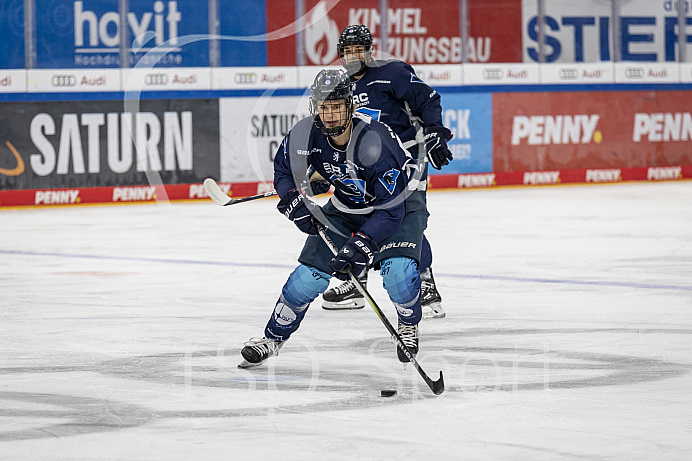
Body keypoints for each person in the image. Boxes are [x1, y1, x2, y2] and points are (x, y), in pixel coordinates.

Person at [239, 69, 429, 368]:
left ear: (350, 106)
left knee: (397, 273)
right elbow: (284, 171)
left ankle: (408, 323)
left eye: (336, 106)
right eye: (323, 106)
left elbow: (390, 210)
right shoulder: (305, 133)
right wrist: (293, 201)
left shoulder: (373, 142)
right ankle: (272, 339)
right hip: (346, 206)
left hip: (397, 208)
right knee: (306, 279)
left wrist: (362, 243)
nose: (328, 115)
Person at [321, 24, 453, 319]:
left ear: (369, 51)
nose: (354, 55)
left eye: (359, 49)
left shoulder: (392, 72)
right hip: (370, 164)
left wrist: (434, 132)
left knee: (405, 215)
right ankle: (358, 281)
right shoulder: (342, 87)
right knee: (360, 211)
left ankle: (424, 283)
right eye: (348, 51)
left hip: (408, 157)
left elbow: (428, 100)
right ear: (340, 55)